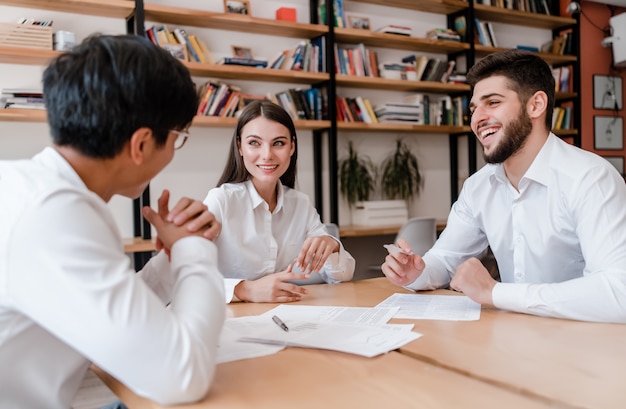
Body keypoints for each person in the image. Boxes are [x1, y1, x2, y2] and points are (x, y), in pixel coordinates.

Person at [0, 34, 226, 409]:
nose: (174, 151)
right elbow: (182, 376)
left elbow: (108, 304)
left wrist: (173, 258)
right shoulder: (55, 214)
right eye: (177, 138)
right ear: (140, 144)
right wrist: (195, 248)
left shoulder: (31, 187)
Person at [382, 49, 626, 323]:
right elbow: (446, 258)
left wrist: (495, 293)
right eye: (474, 108)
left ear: (535, 105)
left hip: (586, 344)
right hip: (514, 340)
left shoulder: (591, 179)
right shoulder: (478, 187)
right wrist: (418, 274)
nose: (477, 118)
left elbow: (619, 293)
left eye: (493, 102)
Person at [204, 100, 355, 303]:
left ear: (292, 147)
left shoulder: (300, 203)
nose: (267, 155)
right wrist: (244, 290)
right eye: (254, 143)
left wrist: (332, 246)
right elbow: (187, 275)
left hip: (282, 317)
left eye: (278, 143)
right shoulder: (221, 200)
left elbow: (342, 277)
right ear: (239, 146)